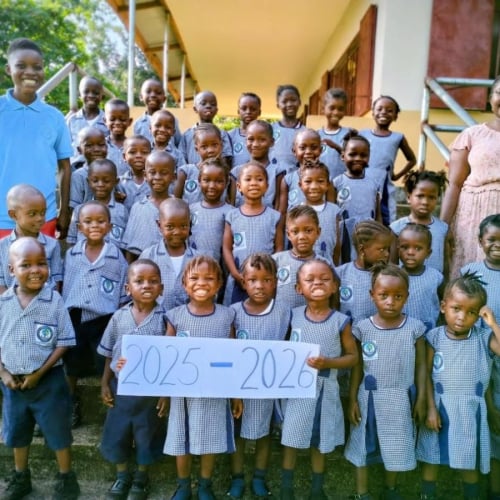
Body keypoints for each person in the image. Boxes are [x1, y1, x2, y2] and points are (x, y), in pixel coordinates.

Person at [0, 237, 80, 499]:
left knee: (58, 433)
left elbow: (65, 341)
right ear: (11, 270)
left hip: (49, 382)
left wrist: (39, 374)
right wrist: (3, 373)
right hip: (13, 384)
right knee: (17, 432)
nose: (36, 270)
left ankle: (66, 479)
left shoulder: (54, 300)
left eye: (42, 263)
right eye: (26, 265)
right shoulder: (3, 303)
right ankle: (21, 477)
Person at [345, 263, 426, 500]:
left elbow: (421, 366)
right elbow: (356, 368)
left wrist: (421, 398)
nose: (390, 302)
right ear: (372, 295)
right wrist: (352, 399)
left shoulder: (415, 329)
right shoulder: (363, 329)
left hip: (400, 399)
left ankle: (391, 489)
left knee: (396, 444)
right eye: (384, 295)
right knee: (362, 443)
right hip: (369, 398)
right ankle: (362, 493)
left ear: (406, 297)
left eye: (397, 296)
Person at [165, 255, 242, 500]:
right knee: (181, 438)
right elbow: (166, 357)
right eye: (195, 278)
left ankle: (205, 485)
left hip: (214, 392)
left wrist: (235, 394)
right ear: (184, 284)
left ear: (219, 285)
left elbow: (232, 357)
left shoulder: (227, 316)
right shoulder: (174, 316)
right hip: (183, 392)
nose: (201, 283)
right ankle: (183, 485)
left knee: (212, 437)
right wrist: (164, 394)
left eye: (209, 278)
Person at [416, 274, 500, 500]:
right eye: (456, 309)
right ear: (443, 306)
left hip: (469, 411)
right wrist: (430, 408)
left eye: (471, 312)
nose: (462, 317)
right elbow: (426, 375)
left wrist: (493, 324)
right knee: (432, 458)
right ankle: (427, 496)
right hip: (440, 407)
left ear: (479, 314)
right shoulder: (434, 337)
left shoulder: (483, 337)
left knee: (468, 462)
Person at [280, 259, 357, 500]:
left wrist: (329, 363)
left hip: (325, 390)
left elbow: (353, 357)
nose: (317, 283)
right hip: (296, 390)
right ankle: (286, 488)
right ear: (298, 288)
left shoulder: (340, 321)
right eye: (310, 279)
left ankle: (317, 489)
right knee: (291, 437)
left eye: (324, 279)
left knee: (320, 440)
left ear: (334, 287)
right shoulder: (292, 317)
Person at [98, 259, 168, 500]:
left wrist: (165, 393)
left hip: (150, 392)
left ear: (161, 288)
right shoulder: (119, 317)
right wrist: (105, 382)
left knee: (147, 434)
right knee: (118, 432)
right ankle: (122, 475)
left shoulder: (165, 319)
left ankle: (141, 477)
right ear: (128, 288)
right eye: (139, 281)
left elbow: (170, 358)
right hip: (121, 389)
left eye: (153, 281)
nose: (146, 285)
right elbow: (109, 352)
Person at [227, 253, 291, 499]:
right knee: (239, 435)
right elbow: (230, 352)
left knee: (264, 434)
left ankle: (259, 477)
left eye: (266, 280)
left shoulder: (284, 312)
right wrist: (234, 392)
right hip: (241, 388)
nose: (259, 285)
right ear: (244, 282)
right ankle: (237, 477)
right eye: (253, 280)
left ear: (275, 282)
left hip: (269, 387)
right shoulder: (233, 312)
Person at [63, 201, 128, 428]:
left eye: (100, 221)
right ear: (79, 227)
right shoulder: (71, 254)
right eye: (88, 222)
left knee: (105, 361)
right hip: (75, 317)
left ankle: (110, 405)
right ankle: (69, 404)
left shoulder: (115, 256)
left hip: (104, 319)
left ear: (109, 226)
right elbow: (66, 285)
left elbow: (122, 289)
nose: (94, 226)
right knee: (72, 362)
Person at [0, 38, 72, 238]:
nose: (30, 72)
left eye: (37, 67)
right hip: (2, 218)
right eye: (21, 66)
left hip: (43, 218)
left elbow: (65, 167)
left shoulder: (54, 117)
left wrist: (63, 211)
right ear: (8, 69)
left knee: (40, 260)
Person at [440, 76, 500, 278]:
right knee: (468, 275)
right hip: (472, 213)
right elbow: (454, 184)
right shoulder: (472, 135)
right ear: (490, 98)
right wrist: (443, 227)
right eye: (499, 93)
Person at [460, 215, 500, 500]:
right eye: (491, 240)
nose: (497, 245)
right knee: (480, 418)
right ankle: (478, 485)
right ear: (480, 242)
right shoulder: (470, 272)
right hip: (475, 353)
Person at [223, 162, 284, 305]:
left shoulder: (274, 216)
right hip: (239, 278)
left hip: (264, 280)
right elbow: (226, 247)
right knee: (236, 311)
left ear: (267, 186)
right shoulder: (232, 216)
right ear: (239, 187)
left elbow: (279, 247)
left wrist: (269, 271)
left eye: (259, 179)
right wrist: (235, 273)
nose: (254, 183)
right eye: (248, 179)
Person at [359, 95, 416, 225]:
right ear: (373, 113)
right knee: (362, 214)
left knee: (386, 218)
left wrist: (396, 176)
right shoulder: (362, 134)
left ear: (395, 116)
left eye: (389, 110)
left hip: (384, 184)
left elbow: (412, 160)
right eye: (379, 109)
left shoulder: (397, 137)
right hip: (363, 181)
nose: (384, 112)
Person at [0, 184, 63, 294]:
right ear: (13, 215)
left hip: (46, 302)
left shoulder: (52, 245)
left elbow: (57, 280)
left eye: (43, 213)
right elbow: (1, 283)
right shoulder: (2, 246)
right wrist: (11, 303)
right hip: (11, 304)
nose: (40, 218)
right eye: (32, 214)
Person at [140, 198, 197, 310]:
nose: (177, 232)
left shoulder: (197, 259)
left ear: (190, 225)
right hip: (156, 317)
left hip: (187, 319)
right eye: (170, 227)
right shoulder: (149, 256)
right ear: (159, 225)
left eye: (183, 226)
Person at [332, 134, 381, 262]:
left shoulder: (374, 184)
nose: (358, 158)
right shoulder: (337, 183)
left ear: (369, 157)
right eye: (352, 154)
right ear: (343, 156)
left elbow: (378, 214)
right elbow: (332, 214)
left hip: (369, 233)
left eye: (363, 155)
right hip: (344, 236)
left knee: (367, 262)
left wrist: (380, 234)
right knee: (346, 263)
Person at [390, 170, 449, 276]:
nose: (425, 202)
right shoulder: (397, 228)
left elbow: (445, 263)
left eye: (431, 197)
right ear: (409, 197)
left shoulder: (442, 229)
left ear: (438, 199)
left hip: (434, 284)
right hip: (404, 282)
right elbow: (392, 264)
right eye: (420, 196)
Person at [122, 150, 176, 261]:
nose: (157, 177)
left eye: (164, 173)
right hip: (143, 267)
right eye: (152, 172)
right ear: (145, 175)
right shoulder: (138, 207)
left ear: (173, 177)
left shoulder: (179, 207)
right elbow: (130, 249)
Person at [337, 220, 392, 322]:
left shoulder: (389, 275)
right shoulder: (341, 274)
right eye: (381, 249)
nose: (387, 254)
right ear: (362, 250)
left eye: (388, 249)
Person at [67, 159, 128, 250]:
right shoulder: (79, 210)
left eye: (106, 181)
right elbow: (72, 241)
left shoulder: (122, 211)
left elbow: (125, 244)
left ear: (116, 182)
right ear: (88, 182)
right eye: (95, 181)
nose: (100, 184)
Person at [273, 205, 325, 309]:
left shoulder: (324, 264)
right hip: (282, 317)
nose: (302, 237)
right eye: (295, 232)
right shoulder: (276, 261)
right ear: (288, 235)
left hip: (313, 317)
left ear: (318, 232)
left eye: (308, 231)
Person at [229, 119, 285, 209]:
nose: (255, 144)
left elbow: (279, 207)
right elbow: (231, 205)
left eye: (262, 140)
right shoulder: (236, 172)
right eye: (251, 139)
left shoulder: (278, 172)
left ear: (272, 142)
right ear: (245, 141)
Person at [398, 223, 443, 331]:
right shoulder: (393, 275)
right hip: (398, 331)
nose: (410, 253)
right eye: (405, 247)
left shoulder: (435, 277)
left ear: (428, 253)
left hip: (426, 332)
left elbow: (443, 305)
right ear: (398, 249)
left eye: (418, 248)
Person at [278, 129, 334, 214]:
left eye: (314, 148)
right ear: (294, 151)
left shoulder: (327, 179)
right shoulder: (287, 180)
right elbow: (282, 212)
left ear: (321, 150)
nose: (308, 152)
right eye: (302, 148)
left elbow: (332, 211)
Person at [189, 158, 232, 263]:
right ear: (199, 181)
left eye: (219, 181)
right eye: (206, 180)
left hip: (219, 268)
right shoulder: (191, 210)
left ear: (227, 183)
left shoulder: (231, 212)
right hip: (193, 266)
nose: (212, 186)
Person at [299, 161, 342, 265]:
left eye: (320, 181)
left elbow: (337, 245)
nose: (314, 186)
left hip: (328, 267)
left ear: (328, 185)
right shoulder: (296, 212)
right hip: (303, 269)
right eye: (308, 181)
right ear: (300, 185)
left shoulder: (334, 211)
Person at [174, 123, 224, 204]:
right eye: (204, 147)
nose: (210, 150)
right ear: (196, 149)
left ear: (221, 146)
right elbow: (176, 202)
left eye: (214, 145)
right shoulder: (186, 172)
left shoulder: (226, 174)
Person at [180, 90, 232, 165]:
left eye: (213, 104)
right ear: (195, 109)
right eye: (203, 103)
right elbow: (182, 159)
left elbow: (226, 158)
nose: (208, 106)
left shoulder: (222, 134)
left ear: (216, 110)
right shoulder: (187, 135)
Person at [66, 75, 108, 165]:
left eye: (96, 93)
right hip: (76, 167)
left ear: (102, 96)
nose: (91, 95)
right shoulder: (72, 121)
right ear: (79, 95)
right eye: (86, 92)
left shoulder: (107, 120)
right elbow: (66, 146)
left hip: (101, 167)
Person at [133, 78, 182, 148]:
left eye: (158, 93)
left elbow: (179, 143)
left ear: (164, 99)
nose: (153, 95)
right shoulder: (138, 124)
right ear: (141, 97)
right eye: (148, 92)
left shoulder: (172, 120)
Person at [318, 88, 353, 179]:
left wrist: (336, 147)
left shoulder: (349, 134)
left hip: (343, 183)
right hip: (321, 183)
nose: (336, 112)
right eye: (332, 108)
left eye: (340, 109)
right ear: (323, 109)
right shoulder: (316, 135)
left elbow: (353, 158)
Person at [69, 126, 108, 209]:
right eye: (89, 145)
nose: (96, 149)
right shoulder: (78, 176)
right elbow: (74, 207)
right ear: (79, 150)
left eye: (101, 145)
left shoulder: (111, 171)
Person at [271, 85, 305, 172]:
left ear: (299, 102)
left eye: (293, 100)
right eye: (284, 101)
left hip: (297, 177)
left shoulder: (305, 132)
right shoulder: (270, 130)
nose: (289, 104)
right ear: (278, 105)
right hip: (273, 177)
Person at [118, 135, 152, 212]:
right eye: (132, 152)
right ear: (124, 157)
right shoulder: (119, 183)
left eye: (144, 152)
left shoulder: (155, 182)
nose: (138, 156)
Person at [228, 92, 262, 167]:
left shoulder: (265, 135)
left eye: (253, 109)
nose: (248, 112)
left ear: (259, 112)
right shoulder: (230, 136)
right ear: (238, 111)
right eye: (244, 108)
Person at [104, 98, 133, 176]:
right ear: (105, 121)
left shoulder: (133, 146)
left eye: (122, 119)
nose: (117, 123)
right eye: (112, 119)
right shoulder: (101, 146)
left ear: (129, 122)